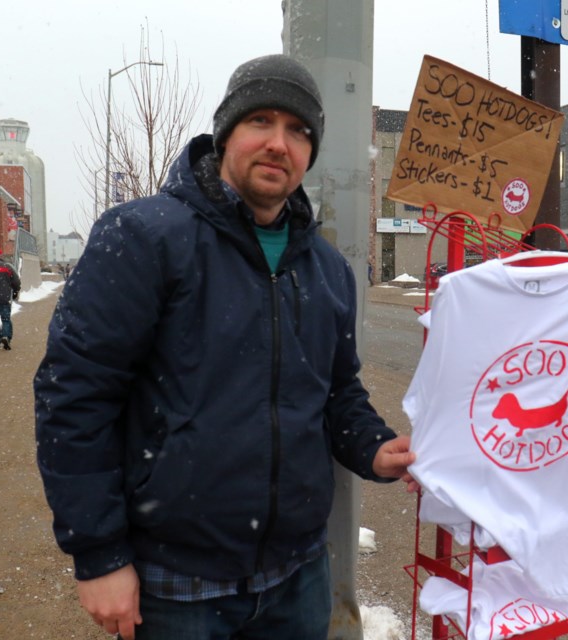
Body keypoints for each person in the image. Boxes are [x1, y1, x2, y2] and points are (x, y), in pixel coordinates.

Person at [34, 54, 416, 640]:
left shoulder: (328, 269)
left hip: (298, 577)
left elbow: (338, 390)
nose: (278, 144)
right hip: (177, 586)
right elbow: (75, 399)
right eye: (260, 121)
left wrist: (374, 447)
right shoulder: (142, 237)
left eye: (298, 131)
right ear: (225, 133)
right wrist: (99, 555)